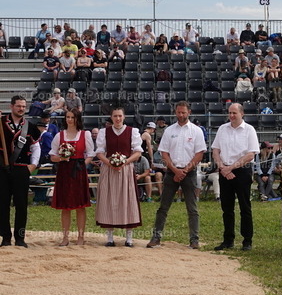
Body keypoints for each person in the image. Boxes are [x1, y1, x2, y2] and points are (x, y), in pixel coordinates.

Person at [147, 102, 207, 249]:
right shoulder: (169, 131)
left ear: (189, 112)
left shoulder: (196, 131)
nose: (181, 115)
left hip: (189, 173)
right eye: (178, 112)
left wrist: (185, 170)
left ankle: (194, 240)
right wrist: (175, 170)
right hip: (171, 173)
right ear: (175, 112)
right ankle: (156, 237)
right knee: (163, 207)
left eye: (183, 112)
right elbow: (164, 153)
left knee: (192, 208)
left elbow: (199, 154)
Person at [211, 103, 260, 251]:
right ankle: (228, 240)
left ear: (242, 114)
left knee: (245, 207)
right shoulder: (222, 129)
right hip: (224, 171)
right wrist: (223, 168)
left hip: (242, 171)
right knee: (227, 208)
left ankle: (247, 241)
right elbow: (215, 150)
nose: (231, 116)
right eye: (230, 113)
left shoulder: (249, 130)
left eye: (234, 113)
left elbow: (251, 154)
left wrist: (231, 168)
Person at [94, 107, 143, 247]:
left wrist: (124, 162)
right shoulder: (104, 132)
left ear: (124, 117)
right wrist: (110, 163)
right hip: (109, 169)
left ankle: (129, 238)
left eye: (120, 116)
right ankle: (110, 238)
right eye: (115, 116)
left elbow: (137, 152)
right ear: (111, 117)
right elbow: (100, 152)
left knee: (128, 200)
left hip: (125, 169)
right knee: (108, 200)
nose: (118, 118)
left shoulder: (132, 131)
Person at [0, 96, 41, 247]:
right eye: (18, 106)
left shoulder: (30, 127)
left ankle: (20, 238)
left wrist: (33, 165)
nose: (21, 109)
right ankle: (5, 237)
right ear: (11, 107)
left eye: (23, 106)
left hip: (22, 169)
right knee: (2, 204)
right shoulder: (1, 123)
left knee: (21, 205)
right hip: (2, 170)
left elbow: (36, 147)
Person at [49, 109, 94, 246]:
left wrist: (83, 165)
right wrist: (62, 158)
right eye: (67, 117)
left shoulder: (85, 134)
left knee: (80, 206)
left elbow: (90, 154)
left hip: (78, 172)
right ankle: (65, 237)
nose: (69, 120)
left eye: (72, 117)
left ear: (77, 119)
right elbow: (52, 156)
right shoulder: (59, 135)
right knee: (65, 206)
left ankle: (81, 237)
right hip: (64, 171)